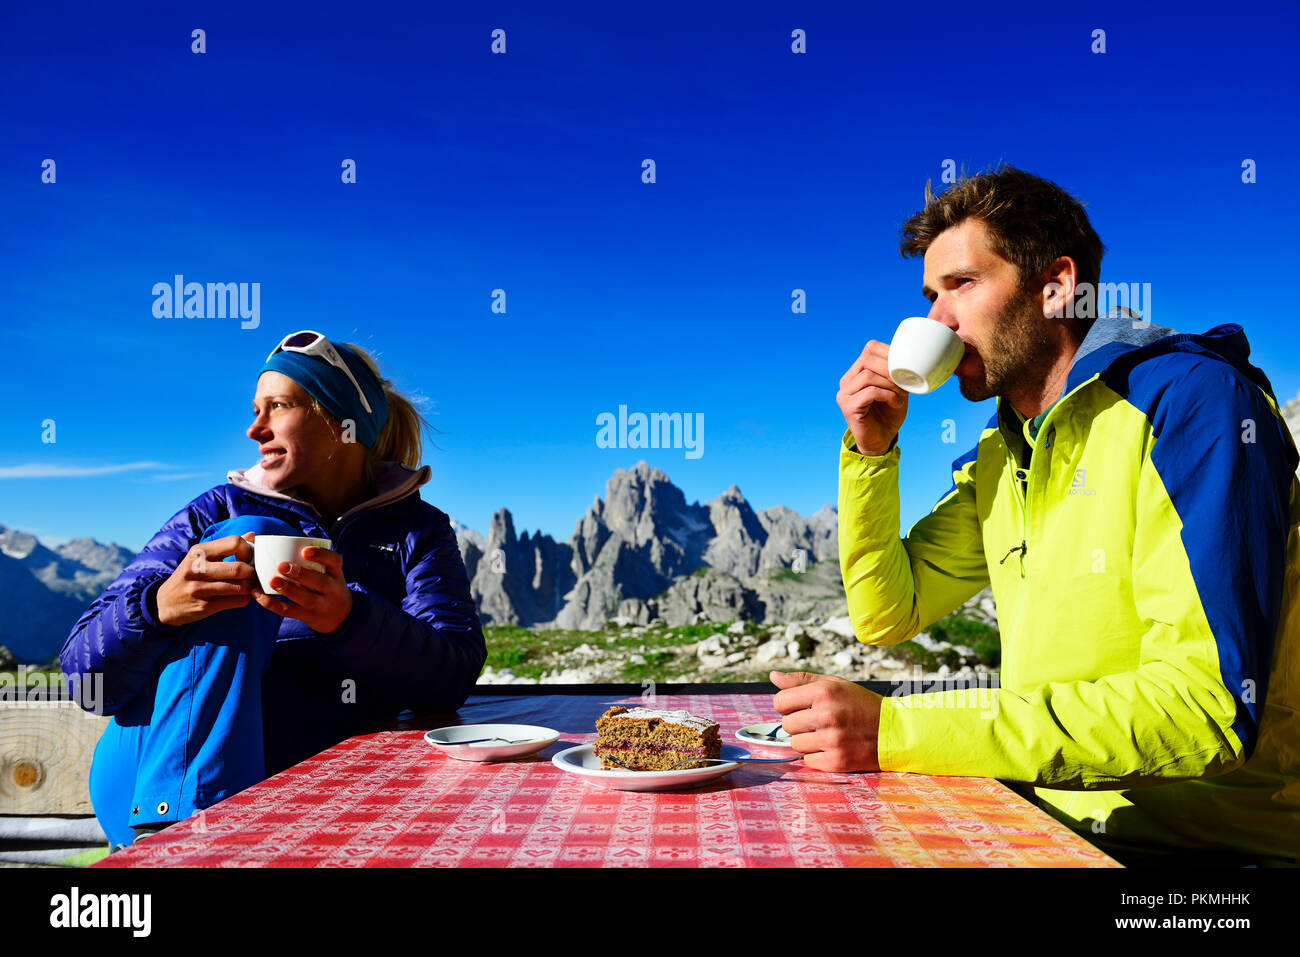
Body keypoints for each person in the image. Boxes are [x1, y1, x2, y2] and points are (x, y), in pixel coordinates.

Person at [771, 166, 1300, 866]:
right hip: (1043, 826)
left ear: (1055, 286)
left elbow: (1209, 707)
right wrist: (872, 452)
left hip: (1204, 858)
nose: (935, 322)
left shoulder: (1194, 403)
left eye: (960, 285)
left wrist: (895, 729)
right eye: (929, 296)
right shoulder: (1004, 449)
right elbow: (886, 612)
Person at [61, 331, 486, 849]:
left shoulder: (417, 530)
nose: (253, 428)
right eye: (254, 409)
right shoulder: (216, 513)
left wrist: (350, 619)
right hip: (151, 784)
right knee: (251, 536)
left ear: (342, 422)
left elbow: (451, 676)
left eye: (278, 406)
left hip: (303, 802)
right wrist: (159, 607)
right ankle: (185, 831)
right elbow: (85, 678)